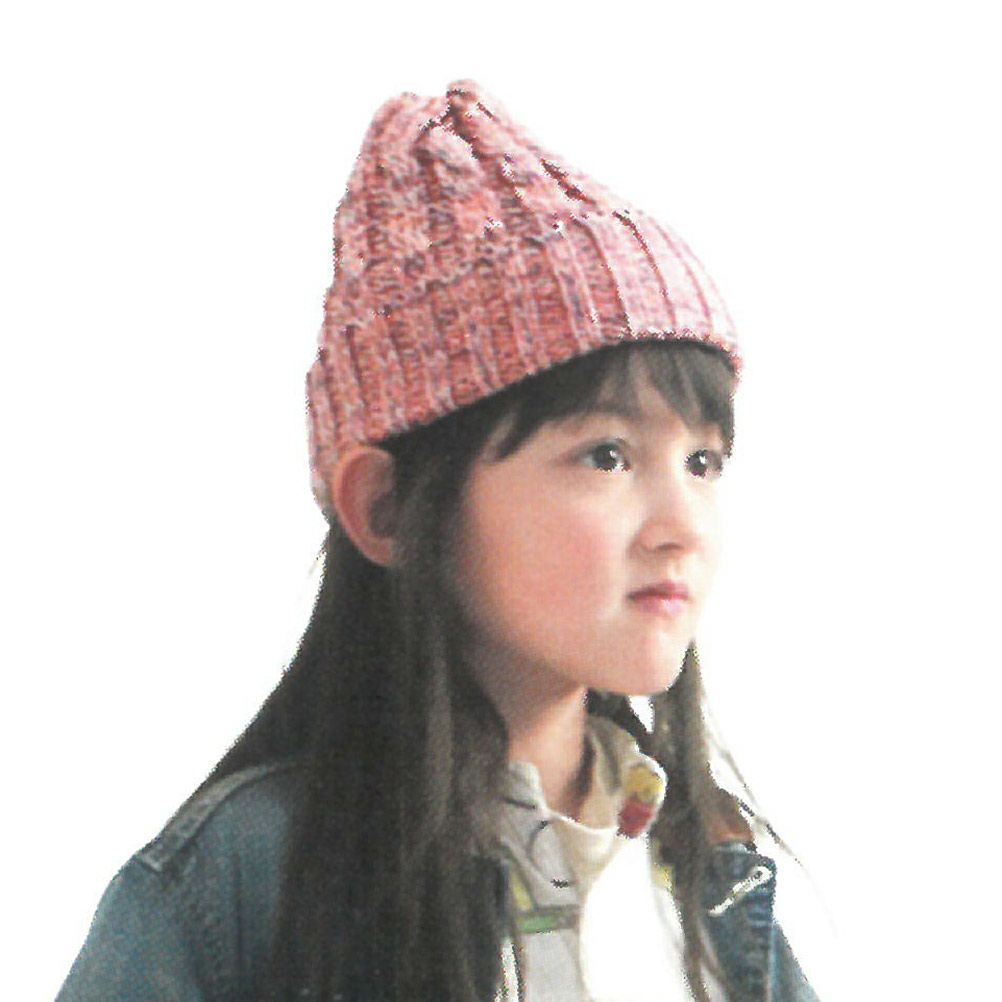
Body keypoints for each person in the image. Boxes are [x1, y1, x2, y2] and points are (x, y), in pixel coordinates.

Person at [56, 79, 822, 1002]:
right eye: (607, 456)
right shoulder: (236, 888)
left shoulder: (708, 877)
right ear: (387, 509)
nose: (682, 526)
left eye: (703, 463)